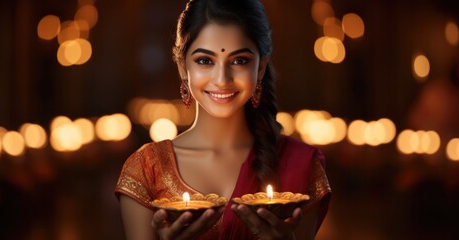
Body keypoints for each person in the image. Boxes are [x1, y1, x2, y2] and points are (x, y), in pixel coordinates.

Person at [115, 0, 331, 239]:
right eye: (205, 61)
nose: (222, 79)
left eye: (239, 61)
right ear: (182, 67)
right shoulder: (147, 170)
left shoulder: (301, 164)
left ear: (261, 68)